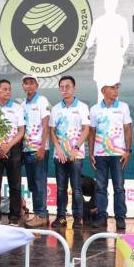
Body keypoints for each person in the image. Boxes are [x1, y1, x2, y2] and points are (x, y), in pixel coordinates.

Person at [88, 82, 132, 230]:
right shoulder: (95, 109)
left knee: (119, 187)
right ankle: (102, 216)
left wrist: (127, 150)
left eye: (117, 88)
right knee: (101, 187)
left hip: (118, 154)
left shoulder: (123, 107)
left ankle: (120, 217)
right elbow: (92, 132)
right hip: (100, 154)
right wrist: (91, 152)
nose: (115, 91)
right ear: (104, 90)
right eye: (112, 88)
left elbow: (127, 129)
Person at [50, 76, 90, 228]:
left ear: (74, 88)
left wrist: (76, 148)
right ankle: (61, 217)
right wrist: (58, 148)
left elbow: (86, 129)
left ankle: (78, 218)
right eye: (62, 87)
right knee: (61, 189)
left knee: (76, 188)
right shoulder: (56, 109)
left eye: (67, 86)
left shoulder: (82, 107)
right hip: (59, 155)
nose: (64, 89)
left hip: (76, 155)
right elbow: (52, 131)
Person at [0, 79, 25, 226]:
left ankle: (14, 216)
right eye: (4, 89)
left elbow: (21, 131)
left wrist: (8, 146)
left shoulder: (17, 108)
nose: (8, 92)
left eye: (9, 89)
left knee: (15, 184)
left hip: (13, 150)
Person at [86, 0, 130, 102]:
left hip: (107, 59)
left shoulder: (99, 21)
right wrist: (120, 54)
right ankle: (109, 109)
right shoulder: (119, 20)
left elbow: (89, 42)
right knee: (110, 88)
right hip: (110, 59)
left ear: (105, 5)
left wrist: (119, 54)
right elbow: (126, 42)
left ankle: (107, 109)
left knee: (106, 89)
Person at [21, 74, 51, 228]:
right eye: (26, 83)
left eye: (31, 83)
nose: (29, 85)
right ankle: (39, 214)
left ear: (37, 86)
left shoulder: (42, 100)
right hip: (26, 149)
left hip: (39, 149)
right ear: (23, 87)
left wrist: (42, 147)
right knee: (33, 185)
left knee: (40, 183)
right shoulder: (22, 105)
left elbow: (46, 125)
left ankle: (41, 215)